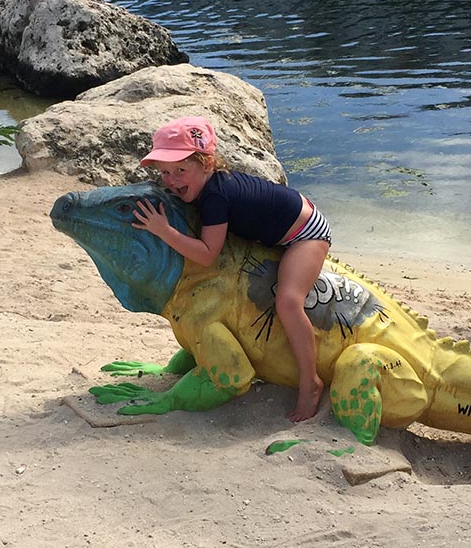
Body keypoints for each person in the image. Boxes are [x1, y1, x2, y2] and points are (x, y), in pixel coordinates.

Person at [132, 116, 332, 422]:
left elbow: (207, 255)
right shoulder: (202, 188)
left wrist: (163, 231)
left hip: (305, 233)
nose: (171, 180)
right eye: (165, 172)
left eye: (181, 170)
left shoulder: (214, 196)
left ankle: (310, 384)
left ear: (208, 165)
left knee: (289, 301)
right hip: (279, 225)